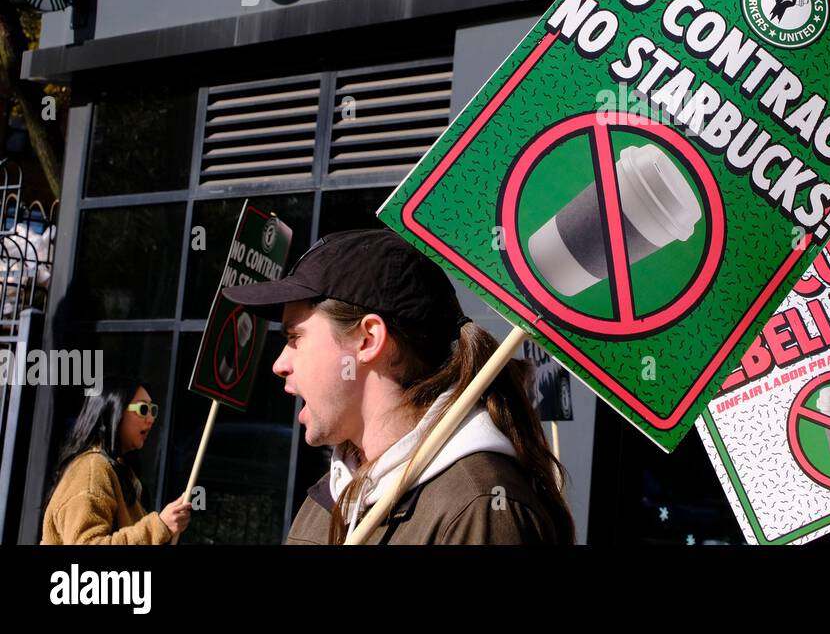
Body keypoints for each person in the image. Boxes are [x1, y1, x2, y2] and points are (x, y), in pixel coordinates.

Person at [224, 228, 575, 544]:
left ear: (368, 339)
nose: (279, 364)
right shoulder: (331, 496)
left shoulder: (479, 509)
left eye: (295, 338)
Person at [41, 375, 192, 544]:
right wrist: (159, 526)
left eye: (153, 410)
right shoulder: (92, 469)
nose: (150, 419)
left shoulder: (118, 470)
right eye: (143, 409)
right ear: (114, 410)